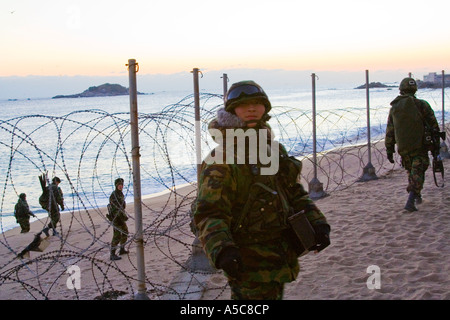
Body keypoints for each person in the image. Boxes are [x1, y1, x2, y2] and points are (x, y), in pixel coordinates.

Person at [193, 80, 330, 300]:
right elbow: (209, 212)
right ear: (232, 111)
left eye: (257, 103)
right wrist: (223, 249)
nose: (251, 108)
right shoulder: (223, 158)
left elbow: (293, 192)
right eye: (244, 104)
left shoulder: (274, 150)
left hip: (279, 254)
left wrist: (318, 223)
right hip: (247, 260)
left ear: (265, 108)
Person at [385, 77, 440, 212]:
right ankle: (410, 201)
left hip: (404, 147)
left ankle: (417, 197)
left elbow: (390, 131)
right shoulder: (422, 105)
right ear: (414, 89)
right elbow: (434, 127)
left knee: (412, 171)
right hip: (420, 146)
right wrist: (436, 146)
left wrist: (389, 149)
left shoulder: (394, 108)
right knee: (418, 170)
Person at [109, 178, 129, 261]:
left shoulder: (120, 194)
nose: (121, 186)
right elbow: (115, 208)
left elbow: (122, 206)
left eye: (122, 185)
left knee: (125, 232)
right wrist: (119, 217)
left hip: (121, 217)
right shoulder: (114, 195)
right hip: (116, 218)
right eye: (119, 185)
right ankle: (112, 254)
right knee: (117, 236)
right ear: (116, 185)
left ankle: (122, 249)